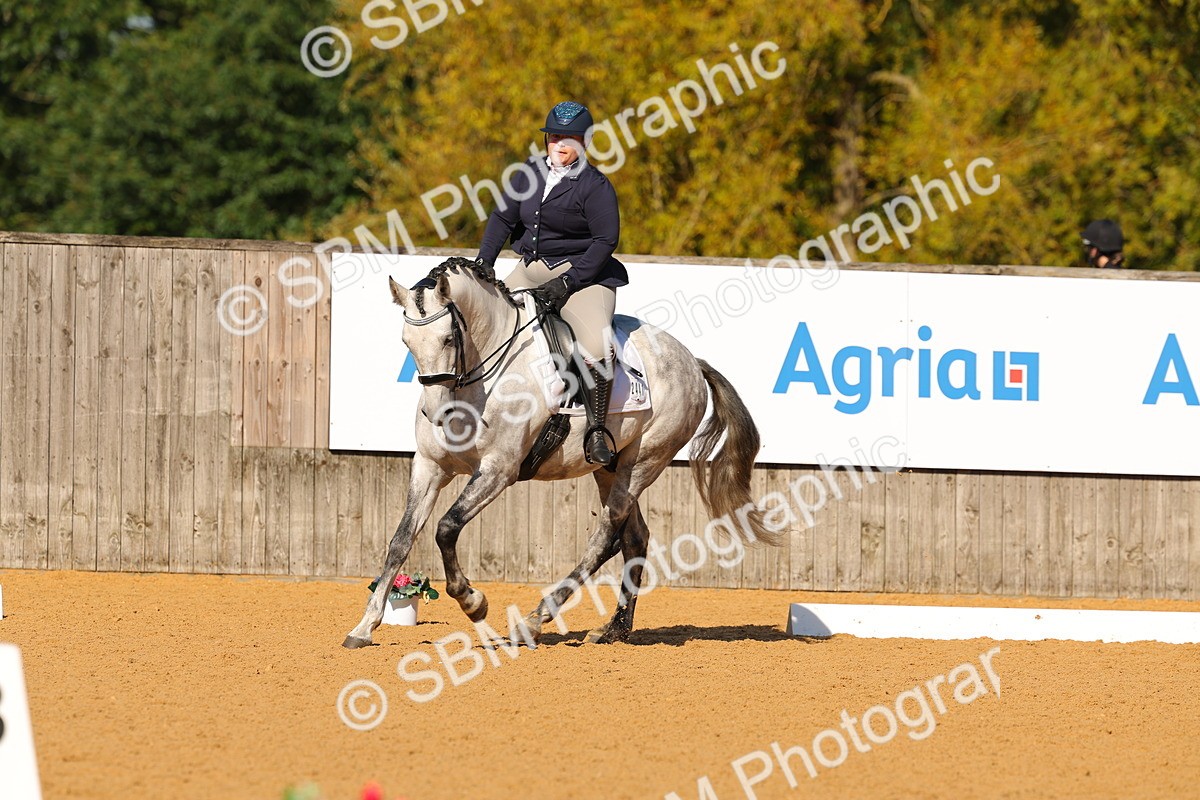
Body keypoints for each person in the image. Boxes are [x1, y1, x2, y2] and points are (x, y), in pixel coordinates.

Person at [475, 101, 627, 467]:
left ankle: (595, 430)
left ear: (584, 142)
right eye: (553, 137)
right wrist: (484, 261)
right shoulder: (527, 173)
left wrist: (570, 281)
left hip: (585, 275)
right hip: (530, 268)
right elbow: (501, 218)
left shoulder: (596, 186)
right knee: (484, 315)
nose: (558, 145)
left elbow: (606, 242)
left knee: (596, 345)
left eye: (568, 139)